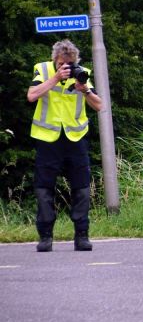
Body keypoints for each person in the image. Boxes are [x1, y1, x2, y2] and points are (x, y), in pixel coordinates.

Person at [27, 39, 103, 252]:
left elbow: (99, 105)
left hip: (75, 138)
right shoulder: (42, 69)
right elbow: (31, 96)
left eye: (69, 64)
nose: (66, 68)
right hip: (47, 138)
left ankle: (81, 235)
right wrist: (55, 78)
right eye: (62, 64)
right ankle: (45, 236)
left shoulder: (82, 72)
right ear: (55, 61)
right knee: (44, 188)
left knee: (81, 188)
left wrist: (84, 90)